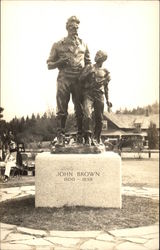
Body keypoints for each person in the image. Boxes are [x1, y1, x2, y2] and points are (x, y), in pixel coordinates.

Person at [47, 16, 91, 146]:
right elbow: (49, 64)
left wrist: (87, 73)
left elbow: (89, 63)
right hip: (64, 79)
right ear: (67, 28)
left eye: (77, 27)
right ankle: (60, 135)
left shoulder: (84, 44)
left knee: (80, 109)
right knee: (62, 109)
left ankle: (80, 135)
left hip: (79, 80)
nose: (75, 29)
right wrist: (59, 62)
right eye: (72, 27)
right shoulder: (58, 44)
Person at [79, 50, 112, 145]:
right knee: (87, 115)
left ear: (103, 59)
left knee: (99, 119)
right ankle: (87, 137)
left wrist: (108, 100)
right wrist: (88, 73)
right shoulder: (89, 67)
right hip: (88, 94)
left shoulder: (106, 72)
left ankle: (97, 137)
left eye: (98, 55)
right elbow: (80, 79)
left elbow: (106, 88)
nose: (96, 56)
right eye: (96, 54)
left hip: (99, 95)